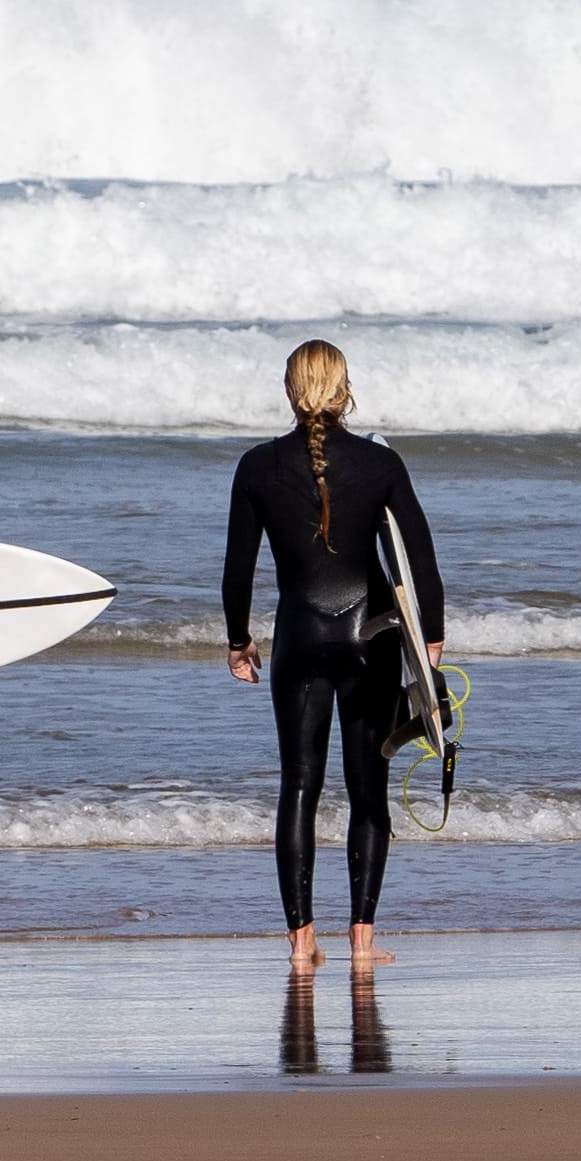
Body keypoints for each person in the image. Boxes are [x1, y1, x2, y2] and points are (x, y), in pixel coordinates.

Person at [223, 340, 444, 972]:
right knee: (366, 786)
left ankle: (300, 946)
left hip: (299, 635)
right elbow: (421, 557)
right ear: (344, 388)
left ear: (290, 390)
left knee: (299, 784)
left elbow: (238, 569)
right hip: (371, 635)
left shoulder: (257, 466)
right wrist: (432, 637)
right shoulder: (380, 462)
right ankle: (364, 945)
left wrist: (238, 640)